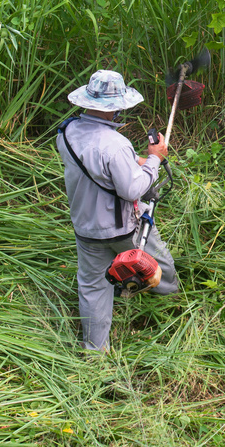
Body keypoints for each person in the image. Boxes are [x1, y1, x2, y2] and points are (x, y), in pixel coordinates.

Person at [56, 69, 179, 351]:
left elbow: (98, 165)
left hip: (85, 227)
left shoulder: (67, 132)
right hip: (123, 229)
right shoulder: (115, 144)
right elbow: (132, 190)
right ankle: (170, 303)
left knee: (92, 287)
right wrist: (153, 160)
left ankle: (95, 352)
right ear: (113, 109)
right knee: (158, 265)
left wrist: (134, 160)